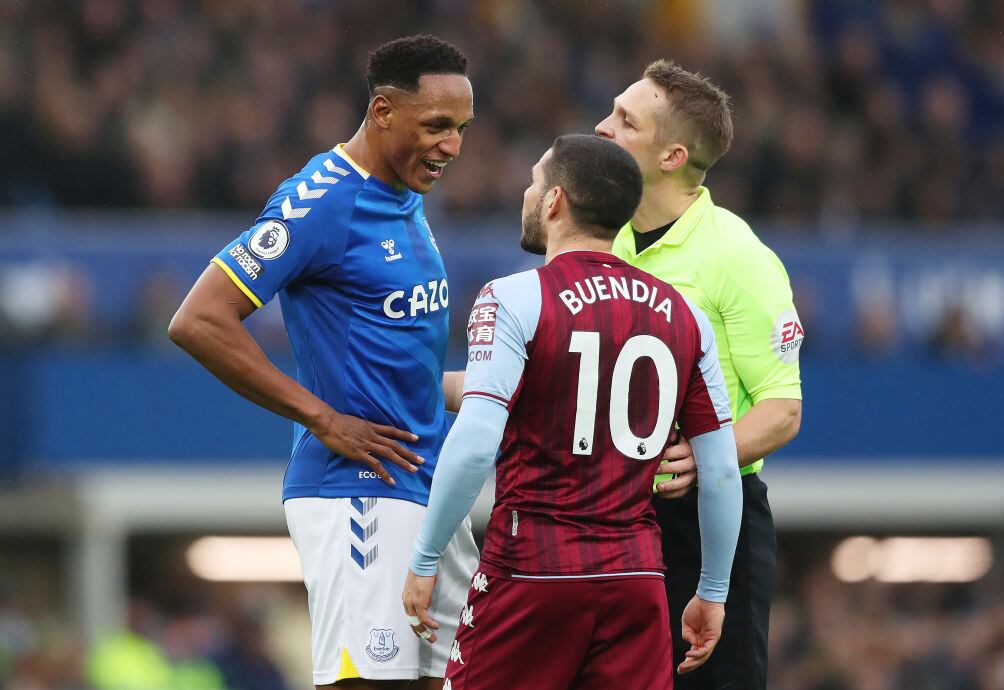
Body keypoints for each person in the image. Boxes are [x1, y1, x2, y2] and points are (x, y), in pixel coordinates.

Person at [169, 35, 478, 690]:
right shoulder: (322, 201)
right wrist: (323, 419)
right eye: (437, 126)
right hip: (358, 493)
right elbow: (197, 319)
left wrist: (477, 389)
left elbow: (390, 355)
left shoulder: (405, 195)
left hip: (426, 486)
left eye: (460, 129)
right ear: (383, 111)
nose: (452, 145)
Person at [401, 134, 743, 690]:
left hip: (532, 568)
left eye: (535, 183)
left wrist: (425, 557)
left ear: (555, 201)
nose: (528, 194)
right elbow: (723, 471)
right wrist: (713, 591)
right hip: (637, 580)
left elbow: (476, 441)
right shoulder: (685, 316)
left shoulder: (513, 297)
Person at [595, 59, 805, 689]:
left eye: (625, 122)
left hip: (706, 523)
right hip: (612, 511)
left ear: (671, 155)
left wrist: (703, 455)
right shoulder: (603, 239)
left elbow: (783, 406)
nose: (602, 128)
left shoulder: (736, 256)